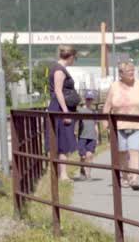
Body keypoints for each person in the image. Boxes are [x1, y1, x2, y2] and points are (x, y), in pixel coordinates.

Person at [103, 60, 139, 190]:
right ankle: (124, 176)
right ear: (121, 74)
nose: (132, 74)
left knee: (134, 151)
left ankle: (134, 178)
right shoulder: (114, 86)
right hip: (119, 125)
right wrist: (105, 122)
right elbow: (107, 106)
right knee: (121, 151)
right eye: (129, 72)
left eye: (133, 71)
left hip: (137, 124)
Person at [47, 45, 81, 181]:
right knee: (63, 140)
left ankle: (61, 173)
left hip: (60, 108)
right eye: (75, 58)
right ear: (71, 57)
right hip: (61, 109)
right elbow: (58, 91)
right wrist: (65, 112)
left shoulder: (58, 68)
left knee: (62, 140)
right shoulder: (59, 70)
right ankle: (62, 174)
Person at [76, 91, 100, 179]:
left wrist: (97, 138)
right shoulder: (80, 110)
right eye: (87, 99)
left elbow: (96, 125)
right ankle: (82, 169)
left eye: (90, 99)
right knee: (83, 156)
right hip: (82, 136)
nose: (89, 101)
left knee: (90, 155)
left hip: (92, 136)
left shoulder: (94, 112)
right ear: (85, 99)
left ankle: (88, 173)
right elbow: (76, 123)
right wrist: (75, 135)